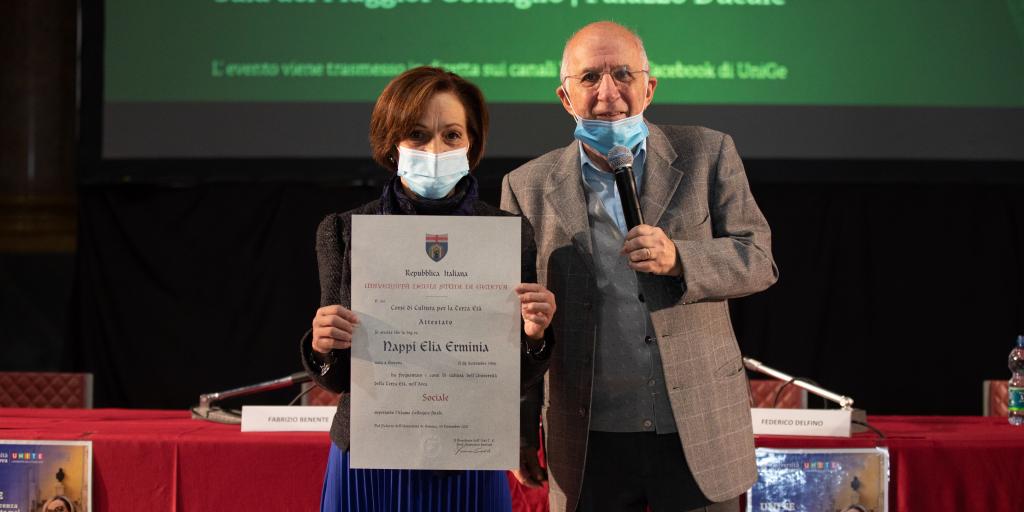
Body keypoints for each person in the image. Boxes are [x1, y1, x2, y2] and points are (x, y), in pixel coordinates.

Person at [502, 22, 779, 512]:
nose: (608, 93)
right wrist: (520, 432)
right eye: (590, 77)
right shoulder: (526, 187)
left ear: (649, 88)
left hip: (697, 432)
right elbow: (516, 326)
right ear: (565, 97)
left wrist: (680, 258)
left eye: (623, 74)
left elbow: (758, 259)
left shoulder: (707, 153)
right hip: (587, 440)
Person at [299, 66, 556, 512]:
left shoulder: (508, 234)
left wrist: (534, 336)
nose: (435, 150)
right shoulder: (344, 231)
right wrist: (323, 346)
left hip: (468, 455)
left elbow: (514, 378)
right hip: (369, 459)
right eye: (417, 135)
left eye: (452, 135)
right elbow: (337, 379)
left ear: (472, 143)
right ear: (391, 142)